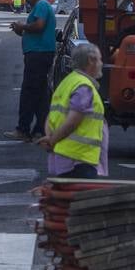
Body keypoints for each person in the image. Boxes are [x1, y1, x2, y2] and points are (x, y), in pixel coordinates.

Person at [39, 43, 107, 179]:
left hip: (63, 159)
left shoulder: (66, 83)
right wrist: (52, 141)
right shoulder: (84, 87)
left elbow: (50, 116)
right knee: (80, 199)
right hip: (79, 160)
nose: (101, 64)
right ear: (91, 61)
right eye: (99, 59)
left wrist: (50, 138)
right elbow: (73, 121)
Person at [5, 0, 57, 141]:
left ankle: (23, 129)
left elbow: (39, 26)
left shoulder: (41, 5)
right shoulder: (42, 7)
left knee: (29, 92)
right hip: (40, 53)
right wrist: (21, 30)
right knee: (40, 94)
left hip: (38, 55)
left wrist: (23, 26)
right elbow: (34, 31)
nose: (26, 0)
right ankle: (40, 129)